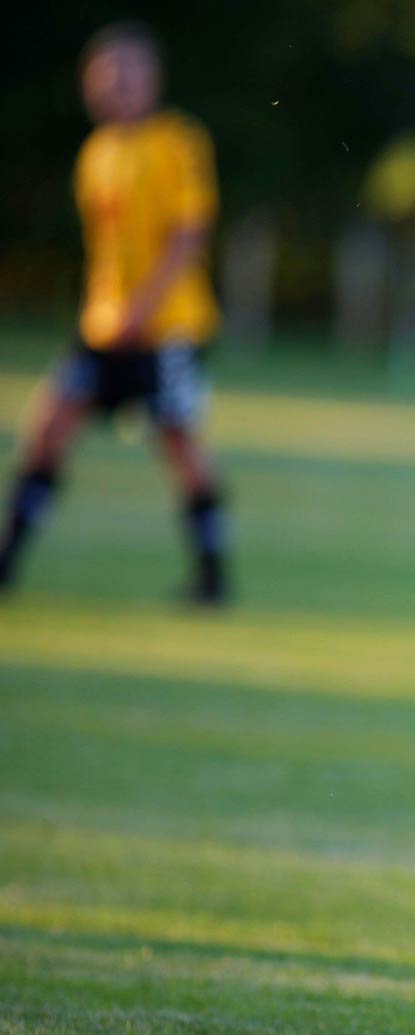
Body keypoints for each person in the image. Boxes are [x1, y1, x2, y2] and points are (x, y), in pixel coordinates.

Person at [0, 22, 230, 605]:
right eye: (108, 75)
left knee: (179, 442)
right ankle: (9, 562)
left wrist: (142, 311)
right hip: (103, 327)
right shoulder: (96, 154)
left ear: (153, 80)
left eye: (130, 72)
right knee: (47, 429)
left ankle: (212, 576)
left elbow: (187, 238)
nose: (119, 85)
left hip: (167, 326)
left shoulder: (177, 142)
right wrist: (102, 315)